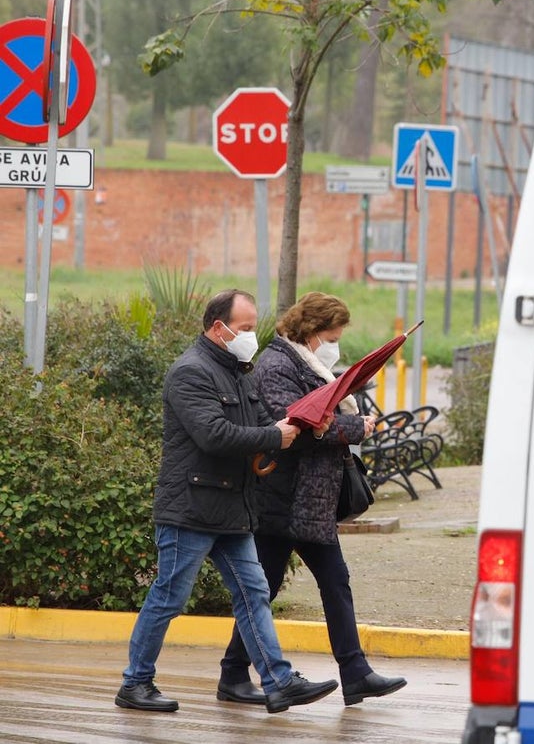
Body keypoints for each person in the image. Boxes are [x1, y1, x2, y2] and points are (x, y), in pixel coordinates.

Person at [116, 289, 339, 715]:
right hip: (191, 508)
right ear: (219, 328)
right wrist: (274, 434)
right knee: (170, 597)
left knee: (254, 593)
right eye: (245, 328)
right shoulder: (190, 372)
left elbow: (266, 426)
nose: (252, 336)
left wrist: (308, 426)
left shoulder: (240, 373)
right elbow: (213, 435)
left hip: (233, 508)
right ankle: (136, 683)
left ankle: (279, 682)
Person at [217, 292, 407, 707]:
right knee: (269, 588)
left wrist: (344, 420)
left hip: (309, 500)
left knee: (326, 582)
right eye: (332, 337)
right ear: (311, 330)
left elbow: (319, 416)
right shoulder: (278, 365)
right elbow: (293, 427)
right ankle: (234, 673)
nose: (335, 345)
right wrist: (354, 427)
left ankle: (354, 673)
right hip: (285, 497)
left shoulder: (304, 362)